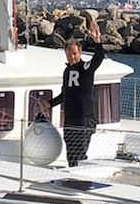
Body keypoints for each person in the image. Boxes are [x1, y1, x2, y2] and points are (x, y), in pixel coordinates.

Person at [44, 17, 105, 167]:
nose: (72, 57)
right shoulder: (67, 71)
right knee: (71, 154)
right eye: (69, 54)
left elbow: (98, 58)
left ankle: (80, 182)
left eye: (74, 54)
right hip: (70, 119)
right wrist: (49, 104)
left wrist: (97, 42)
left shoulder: (85, 68)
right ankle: (71, 178)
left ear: (80, 53)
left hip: (84, 118)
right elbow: (66, 94)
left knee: (80, 154)